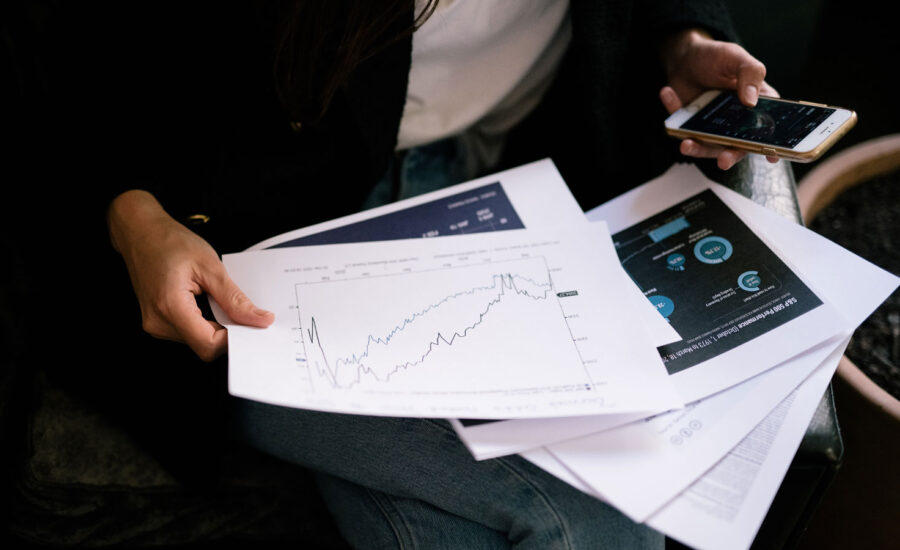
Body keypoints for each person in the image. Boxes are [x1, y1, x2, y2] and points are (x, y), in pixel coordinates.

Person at [83, 1, 778, 547]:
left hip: (506, 184)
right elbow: (90, 64)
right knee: (600, 508)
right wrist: (135, 216)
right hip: (268, 246)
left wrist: (682, 39)